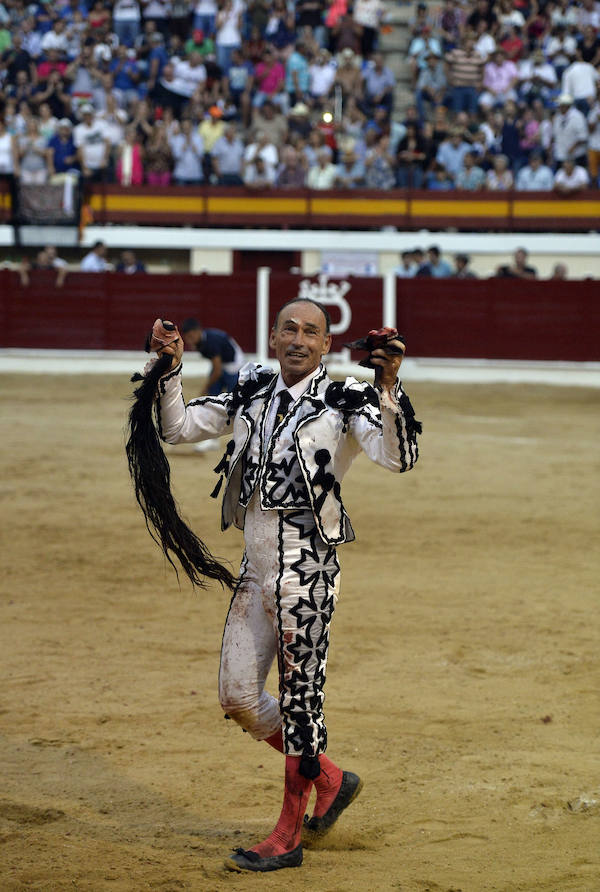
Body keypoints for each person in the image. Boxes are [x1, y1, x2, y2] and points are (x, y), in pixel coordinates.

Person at [148, 297, 420, 872]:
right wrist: (169, 369)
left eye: (311, 332)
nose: (298, 339)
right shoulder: (251, 388)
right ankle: (330, 777)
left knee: (300, 703)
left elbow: (397, 459)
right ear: (273, 337)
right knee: (238, 697)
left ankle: (288, 835)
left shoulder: (347, 398)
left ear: (326, 345)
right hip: (255, 565)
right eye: (288, 329)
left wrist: (390, 386)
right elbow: (177, 428)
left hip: (308, 566)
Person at [180, 317, 245, 395]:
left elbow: (217, 371)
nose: (188, 341)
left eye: (191, 336)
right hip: (223, 362)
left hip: (233, 363)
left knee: (232, 394)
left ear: (198, 331)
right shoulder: (202, 340)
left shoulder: (211, 342)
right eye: (186, 338)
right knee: (214, 388)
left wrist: (206, 388)